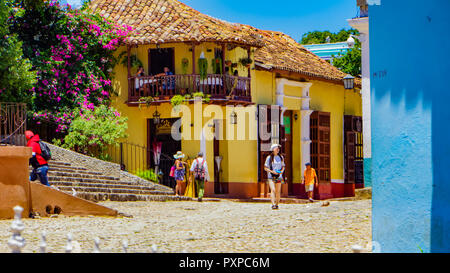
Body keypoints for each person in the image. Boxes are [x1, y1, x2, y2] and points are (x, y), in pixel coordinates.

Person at [264, 144, 285, 210]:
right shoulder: (269, 158)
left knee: (278, 191)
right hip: (271, 176)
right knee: (273, 190)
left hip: (279, 176)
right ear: (273, 149)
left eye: (278, 148)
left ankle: (277, 204)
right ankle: (273, 204)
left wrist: (281, 171)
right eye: (277, 148)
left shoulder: (281, 157)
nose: (278, 149)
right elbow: (265, 168)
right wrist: (272, 171)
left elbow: (283, 166)